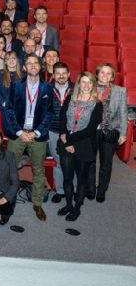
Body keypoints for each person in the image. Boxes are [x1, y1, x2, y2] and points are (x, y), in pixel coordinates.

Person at [4, 54, 54, 221]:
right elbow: (9, 110)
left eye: (36, 63)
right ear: (24, 67)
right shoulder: (16, 85)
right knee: (9, 168)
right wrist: (19, 132)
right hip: (18, 133)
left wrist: (36, 133)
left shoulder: (48, 88)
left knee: (38, 170)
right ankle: (7, 200)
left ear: (41, 67)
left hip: (37, 134)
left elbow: (49, 114)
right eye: (29, 63)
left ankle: (37, 203)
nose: (32, 66)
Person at [57, 72, 103, 221]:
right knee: (67, 177)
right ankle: (69, 204)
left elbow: (90, 129)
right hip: (66, 141)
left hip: (83, 143)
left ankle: (77, 208)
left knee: (81, 179)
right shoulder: (70, 99)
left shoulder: (97, 104)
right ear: (78, 84)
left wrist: (68, 139)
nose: (86, 86)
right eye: (83, 82)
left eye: (90, 83)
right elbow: (62, 118)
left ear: (93, 85)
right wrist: (64, 136)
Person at [91, 63, 128, 202]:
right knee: (90, 160)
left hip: (110, 131)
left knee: (106, 163)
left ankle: (101, 190)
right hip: (91, 131)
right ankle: (90, 187)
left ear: (112, 77)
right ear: (97, 74)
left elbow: (123, 113)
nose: (105, 75)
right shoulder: (89, 87)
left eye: (108, 73)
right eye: (102, 72)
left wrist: (123, 133)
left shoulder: (120, 91)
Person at [47, 62, 73, 203]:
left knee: (71, 160)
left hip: (71, 132)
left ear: (68, 74)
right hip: (53, 130)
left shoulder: (77, 89)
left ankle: (73, 189)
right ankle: (60, 190)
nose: (61, 76)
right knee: (57, 161)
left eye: (64, 73)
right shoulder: (47, 89)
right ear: (53, 75)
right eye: (58, 73)